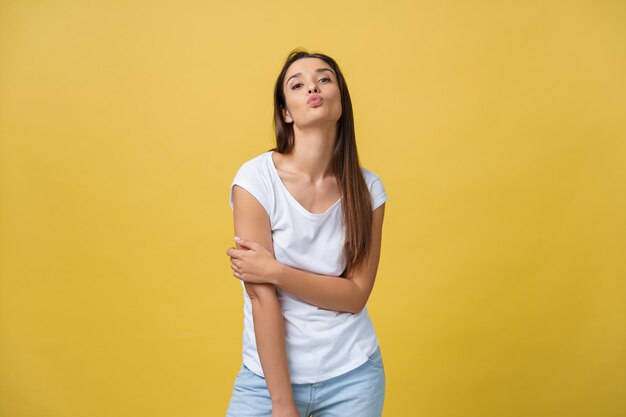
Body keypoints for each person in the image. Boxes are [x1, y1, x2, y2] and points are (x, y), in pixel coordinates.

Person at [224, 49, 388, 417]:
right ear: (286, 112)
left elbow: (355, 296)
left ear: (340, 101)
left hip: (353, 375)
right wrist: (282, 404)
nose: (313, 86)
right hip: (265, 383)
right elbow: (262, 298)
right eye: (297, 84)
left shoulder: (368, 190)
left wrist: (276, 271)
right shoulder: (255, 181)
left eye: (324, 78)